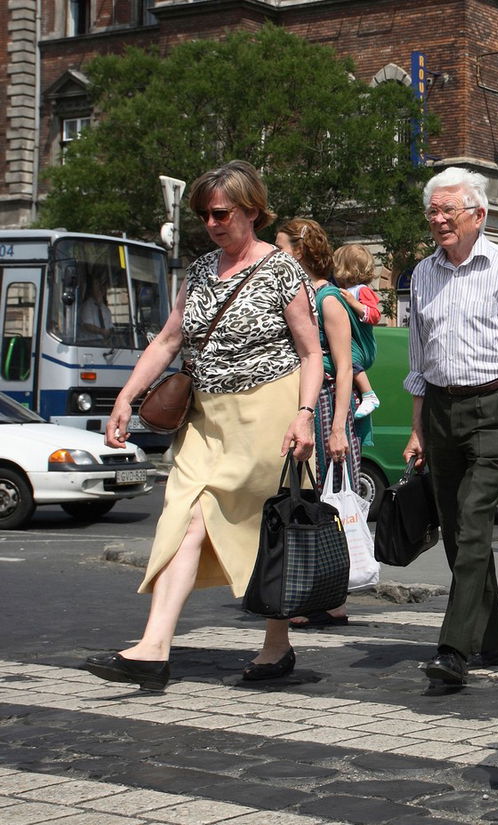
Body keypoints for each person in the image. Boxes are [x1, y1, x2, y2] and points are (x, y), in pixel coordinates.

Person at [87, 161, 321, 691]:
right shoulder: (197, 271)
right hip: (204, 416)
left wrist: (305, 415)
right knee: (185, 518)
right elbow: (169, 340)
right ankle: (153, 648)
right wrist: (127, 396)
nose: (211, 224)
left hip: (268, 413)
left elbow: (312, 352)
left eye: (221, 213)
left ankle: (276, 643)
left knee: (267, 527)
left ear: (253, 211)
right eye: (203, 215)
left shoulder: (283, 270)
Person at [402, 167, 498, 690]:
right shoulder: (423, 274)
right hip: (442, 411)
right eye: (434, 212)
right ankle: (491, 640)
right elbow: (418, 363)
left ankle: (453, 650)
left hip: (496, 407)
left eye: (450, 210)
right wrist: (417, 429)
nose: (440, 220)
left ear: (478, 216)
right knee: (454, 530)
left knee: (473, 522)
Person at [276, 219, 358, 629]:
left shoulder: (327, 299)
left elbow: (345, 368)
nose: (276, 256)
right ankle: (313, 591)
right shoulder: (299, 297)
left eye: (283, 248)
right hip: (307, 406)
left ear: (302, 251)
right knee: (307, 500)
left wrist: (338, 426)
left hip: (328, 408)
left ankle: (333, 598)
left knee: (330, 503)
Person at [333, 243, 382, 420]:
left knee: (349, 361)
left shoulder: (361, 290)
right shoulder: (345, 290)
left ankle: (369, 394)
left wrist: (354, 304)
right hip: (353, 344)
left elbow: (375, 315)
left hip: (362, 345)